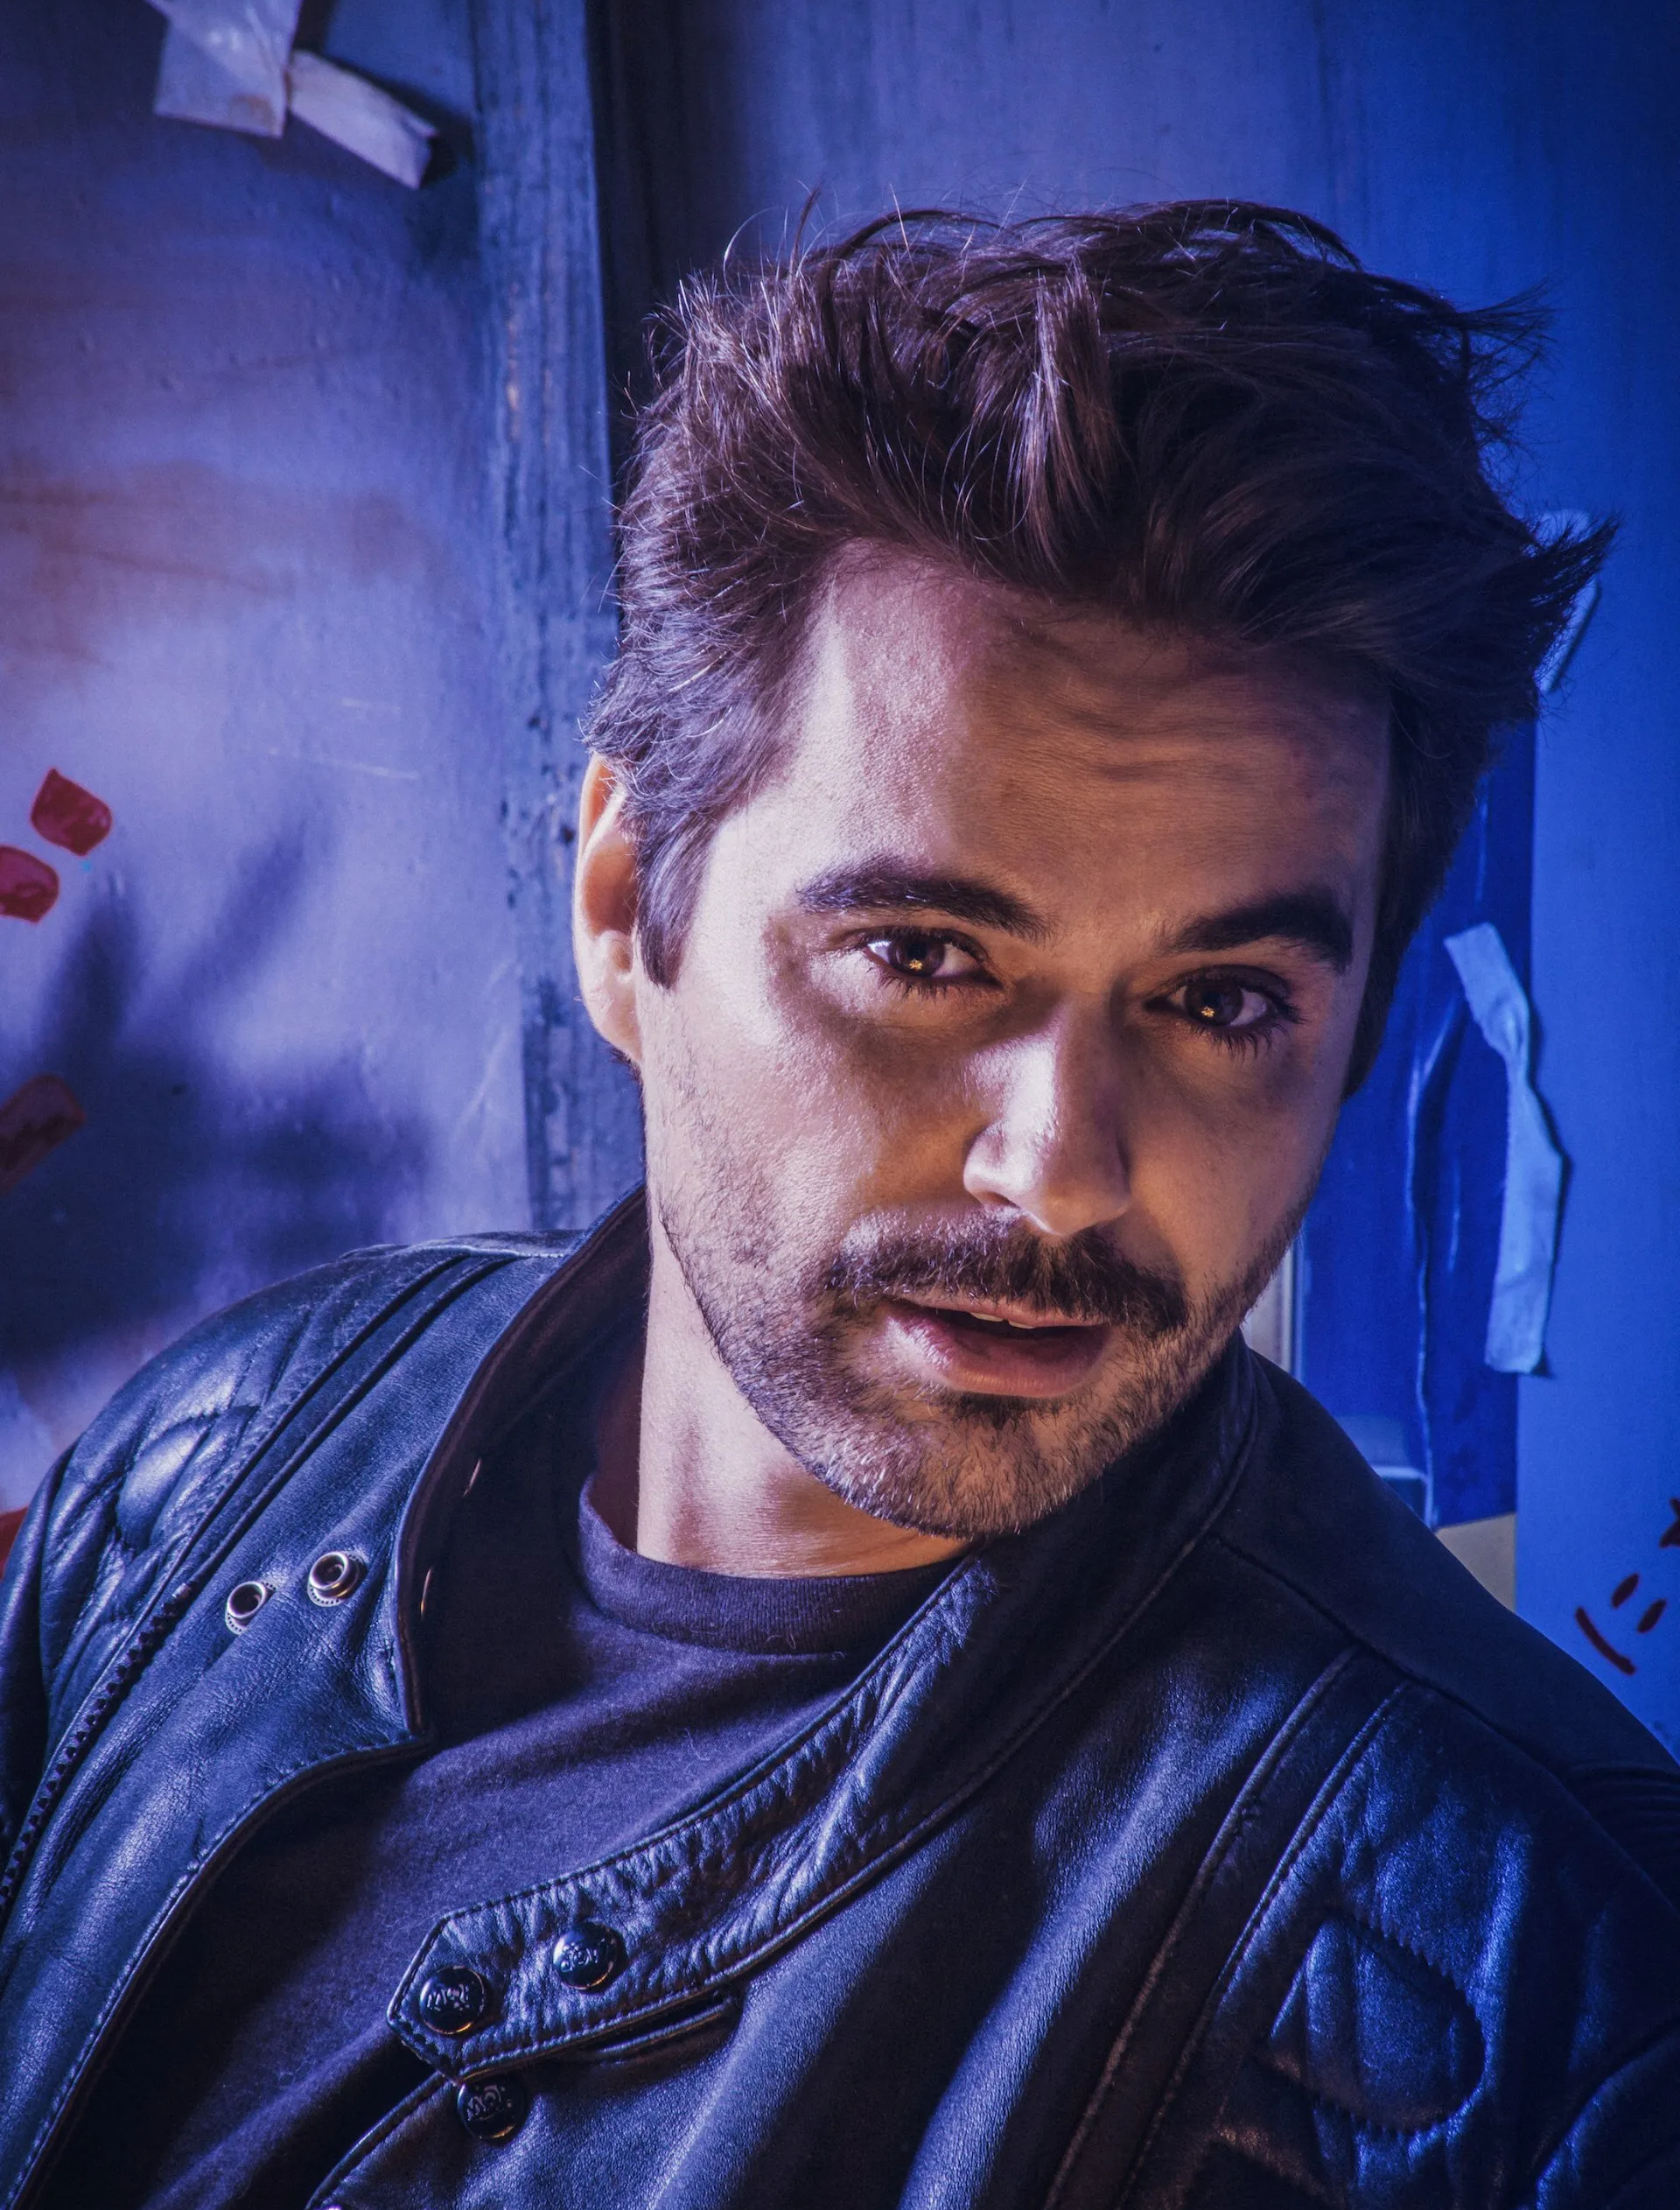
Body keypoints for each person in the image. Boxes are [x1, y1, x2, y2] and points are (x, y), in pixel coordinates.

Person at [1, 202, 1676, 2210]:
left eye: (1224, 1001)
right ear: (625, 910)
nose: (1059, 1165)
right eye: (924, 955)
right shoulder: (228, 1450)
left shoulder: (1541, 1998)